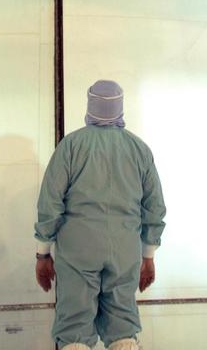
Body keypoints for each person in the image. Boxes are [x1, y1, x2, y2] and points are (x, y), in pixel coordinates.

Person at [34, 80, 166, 350]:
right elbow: (154, 207)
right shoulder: (139, 150)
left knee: (74, 329)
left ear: (90, 105)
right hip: (125, 251)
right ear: (120, 107)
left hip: (77, 252)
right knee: (123, 327)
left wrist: (43, 253)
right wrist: (148, 256)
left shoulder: (70, 146)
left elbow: (50, 203)